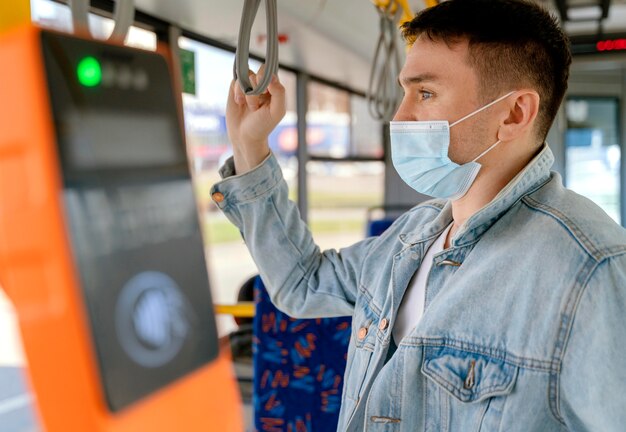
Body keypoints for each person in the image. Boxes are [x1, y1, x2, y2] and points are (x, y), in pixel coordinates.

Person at [211, 0, 626, 430]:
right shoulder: (414, 234)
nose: (400, 116)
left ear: (514, 113)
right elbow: (302, 284)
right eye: (404, 92)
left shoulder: (592, 271)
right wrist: (250, 147)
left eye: (425, 94)